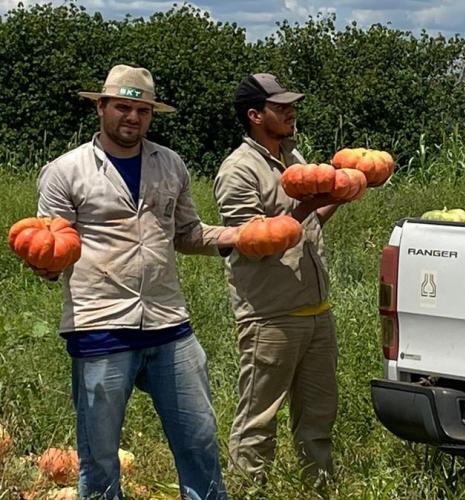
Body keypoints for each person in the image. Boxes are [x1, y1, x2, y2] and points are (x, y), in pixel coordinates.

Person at [34, 64, 234, 498]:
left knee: (200, 440)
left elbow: (187, 234)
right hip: (100, 326)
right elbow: (50, 244)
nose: (133, 117)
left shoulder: (170, 164)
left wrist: (239, 236)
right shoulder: (65, 172)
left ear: (151, 115)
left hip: (169, 323)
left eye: (142, 110)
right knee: (99, 456)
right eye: (123, 107)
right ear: (101, 107)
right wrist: (46, 267)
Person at [213, 73, 342, 481]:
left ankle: (317, 485)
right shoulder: (239, 170)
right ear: (255, 115)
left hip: (315, 309)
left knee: (319, 415)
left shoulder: (293, 156)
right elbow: (253, 241)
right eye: (280, 106)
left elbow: (310, 222)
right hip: (271, 314)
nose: (291, 112)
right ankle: (251, 488)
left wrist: (337, 197)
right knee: (258, 417)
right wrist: (304, 208)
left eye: (292, 104)